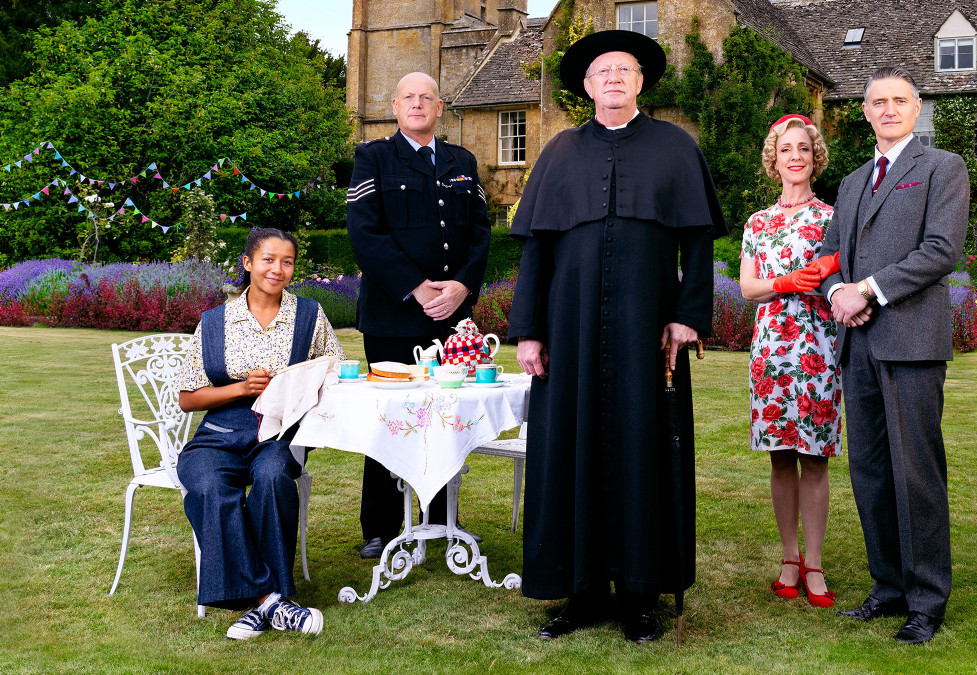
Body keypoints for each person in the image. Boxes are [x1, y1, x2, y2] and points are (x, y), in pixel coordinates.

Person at [507, 30, 726, 644]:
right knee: (568, 449)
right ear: (586, 85)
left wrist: (688, 315)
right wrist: (527, 331)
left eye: (623, 70)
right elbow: (537, 250)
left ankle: (639, 595)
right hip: (569, 330)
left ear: (640, 82)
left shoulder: (675, 147)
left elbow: (700, 241)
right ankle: (578, 591)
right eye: (602, 71)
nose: (612, 78)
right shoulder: (557, 154)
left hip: (646, 333)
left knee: (643, 451)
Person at [815, 66, 969, 644]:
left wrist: (868, 290)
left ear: (917, 106)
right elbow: (833, 255)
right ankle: (888, 585)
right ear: (864, 110)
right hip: (857, 346)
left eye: (899, 101)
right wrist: (836, 293)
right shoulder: (853, 182)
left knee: (917, 473)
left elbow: (940, 250)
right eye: (878, 102)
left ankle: (927, 600)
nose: (888, 110)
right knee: (871, 471)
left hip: (911, 342)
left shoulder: (941, 168)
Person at [174, 227, 346, 639]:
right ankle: (271, 601)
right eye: (268, 259)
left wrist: (301, 386)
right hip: (218, 432)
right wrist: (241, 388)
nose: (278, 269)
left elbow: (336, 372)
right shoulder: (215, 322)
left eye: (286, 261)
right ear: (248, 263)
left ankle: (258, 603)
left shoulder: (309, 316)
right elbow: (187, 398)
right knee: (210, 486)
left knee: (272, 478)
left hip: (279, 434)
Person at [346, 71, 491, 559]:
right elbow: (365, 234)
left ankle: (440, 516)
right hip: (394, 315)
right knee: (390, 418)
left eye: (426, 97)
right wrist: (415, 287)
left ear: (439, 107)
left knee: (446, 418)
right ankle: (382, 526)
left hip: (453, 316)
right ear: (393, 104)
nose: (417, 104)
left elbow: (480, 233)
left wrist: (462, 286)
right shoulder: (373, 157)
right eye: (408, 96)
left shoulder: (463, 161)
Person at [738, 114, 842, 608]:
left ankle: (815, 564)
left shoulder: (833, 219)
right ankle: (788, 558)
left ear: (815, 157)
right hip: (773, 351)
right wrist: (782, 283)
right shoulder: (757, 223)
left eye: (803, 148)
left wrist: (823, 278)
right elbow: (747, 288)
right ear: (774, 159)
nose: (795, 156)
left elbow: (843, 280)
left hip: (820, 348)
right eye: (786, 149)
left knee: (815, 459)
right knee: (781, 458)